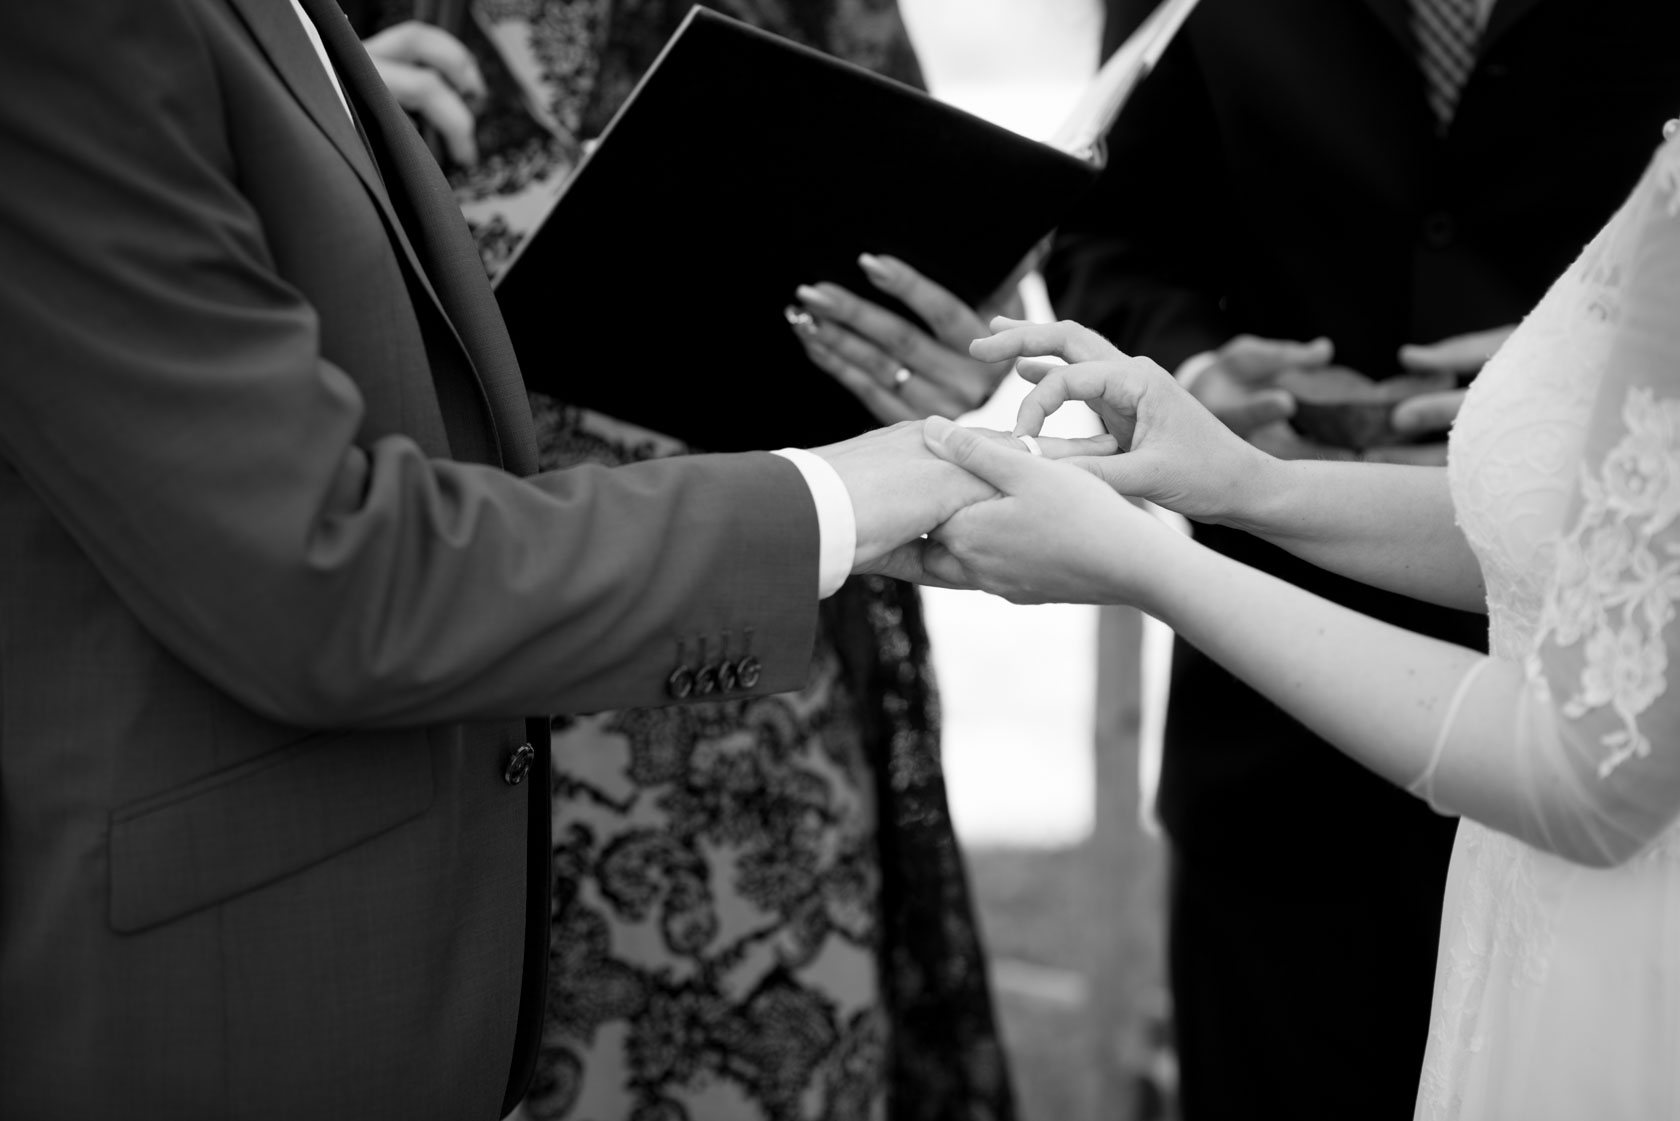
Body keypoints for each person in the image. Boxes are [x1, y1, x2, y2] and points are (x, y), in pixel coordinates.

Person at [0, 4, 1107, 1117]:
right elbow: (306, 556)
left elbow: (939, 245)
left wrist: (932, 361)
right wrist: (832, 497)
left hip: (733, 702)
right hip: (393, 722)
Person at [805, 1, 1680, 1115]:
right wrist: (1237, 482)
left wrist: (1143, 563)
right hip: (1285, 797)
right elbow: (1586, 545)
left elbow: (1589, 775)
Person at [347, 3, 1017, 1118]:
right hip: (423, 717)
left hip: (743, 728)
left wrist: (938, 367)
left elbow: (962, 282)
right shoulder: (310, 29)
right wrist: (320, 149)